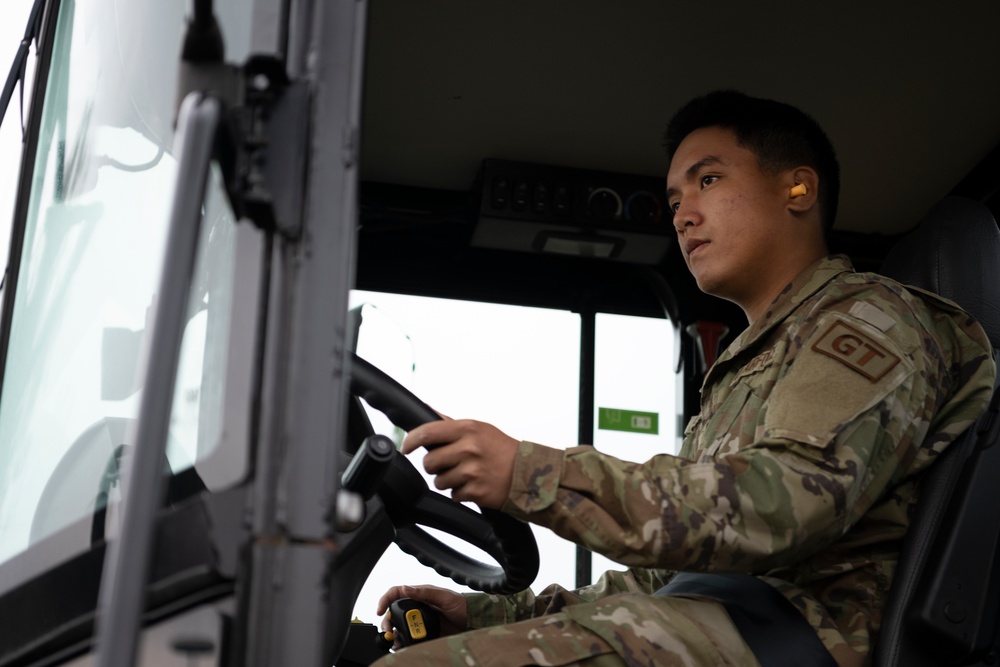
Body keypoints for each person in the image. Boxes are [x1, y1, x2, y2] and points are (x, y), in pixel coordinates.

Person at [372, 91, 996, 667]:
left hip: (800, 638)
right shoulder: (748, 362)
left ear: (798, 190)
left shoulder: (872, 320)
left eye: (709, 180)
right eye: (674, 200)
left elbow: (781, 506)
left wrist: (530, 474)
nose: (682, 215)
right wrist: (489, 613)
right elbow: (665, 572)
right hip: (721, 619)